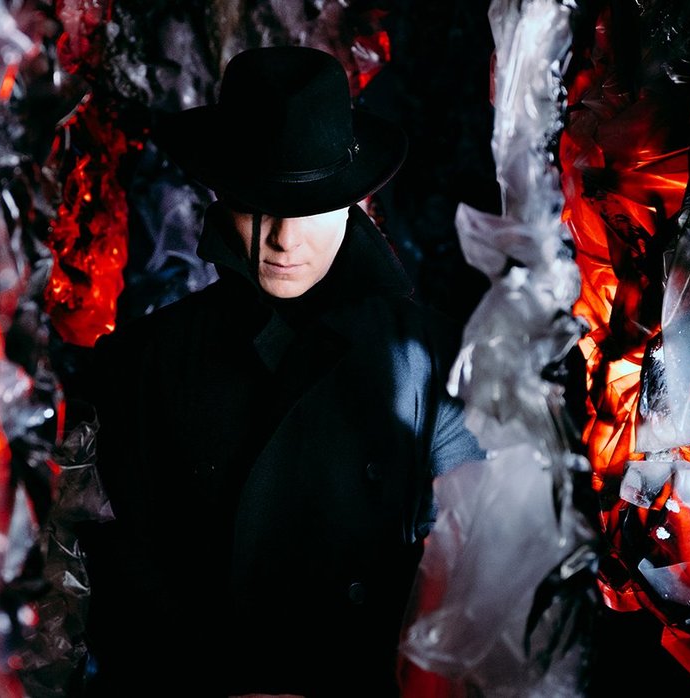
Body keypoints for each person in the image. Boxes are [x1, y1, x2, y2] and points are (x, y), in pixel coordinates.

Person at [73, 45, 483, 697]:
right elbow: (119, 576)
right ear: (221, 195)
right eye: (257, 202)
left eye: (311, 204)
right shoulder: (144, 361)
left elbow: (468, 572)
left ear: (355, 202)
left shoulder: (435, 360)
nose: (284, 238)